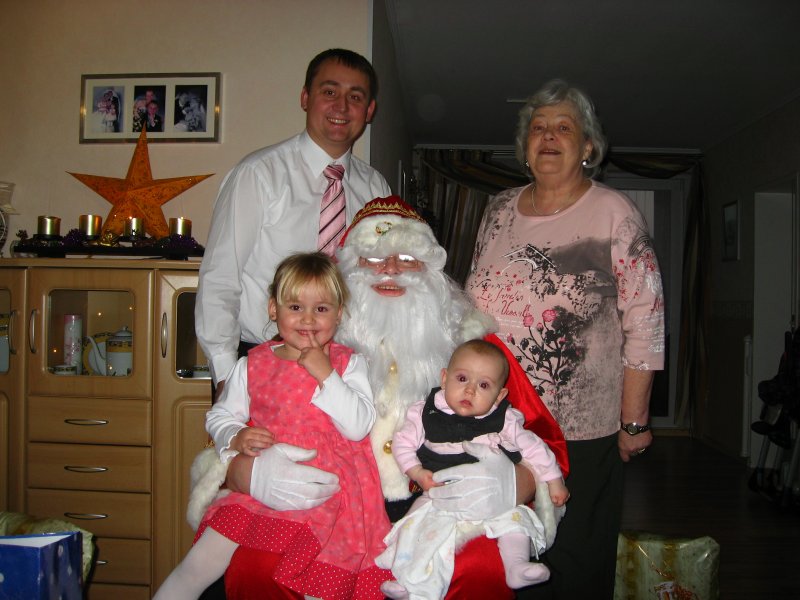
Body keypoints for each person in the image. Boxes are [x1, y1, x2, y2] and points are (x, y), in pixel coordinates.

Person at [188, 197, 569, 599]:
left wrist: (517, 482)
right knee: (256, 568)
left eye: (407, 258)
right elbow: (236, 427)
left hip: (442, 505)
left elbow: (544, 438)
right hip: (330, 505)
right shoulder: (300, 341)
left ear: (431, 269)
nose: (390, 270)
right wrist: (246, 473)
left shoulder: (477, 348)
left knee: (481, 568)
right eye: (372, 258)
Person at [465, 79, 665, 599]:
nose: (548, 136)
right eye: (538, 128)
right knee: (501, 549)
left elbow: (645, 319)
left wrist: (634, 420)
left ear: (588, 147)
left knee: (573, 555)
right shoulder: (499, 209)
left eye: (563, 128)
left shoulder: (614, 212)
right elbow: (470, 309)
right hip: (496, 417)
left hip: (578, 426)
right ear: (524, 147)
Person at [157, 252, 391, 599]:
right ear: (272, 309)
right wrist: (236, 435)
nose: (308, 318)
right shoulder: (252, 364)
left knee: (321, 583)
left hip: (332, 494)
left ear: (339, 314)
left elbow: (358, 426)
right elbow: (219, 416)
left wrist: (326, 374)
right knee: (199, 563)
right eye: (295, 307)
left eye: (321, 308)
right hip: (261, 488)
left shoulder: (348, 363)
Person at [195, 48, 391, 400]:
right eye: (329, 91)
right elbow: (220, 277)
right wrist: (226, 375)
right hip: (262, 361)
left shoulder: (376, 188)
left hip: (346, 368)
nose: (341, 106)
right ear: (305, 98)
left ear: (369, 110)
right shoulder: (258, 175)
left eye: (355, 97)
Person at [377, 339, 569, 600]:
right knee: (413, 526)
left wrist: (554, 481)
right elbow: (403, 443)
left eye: (484, 385)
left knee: (516, 522)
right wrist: (416, 472)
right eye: (462, 379)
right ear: (444, 378)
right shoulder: (425, 412)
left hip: (494, 498)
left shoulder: (504, 419)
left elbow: (535, 448)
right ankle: (407, 579)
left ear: (499, 395)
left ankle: (516, 566)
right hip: (438, 494)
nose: (470, 390)